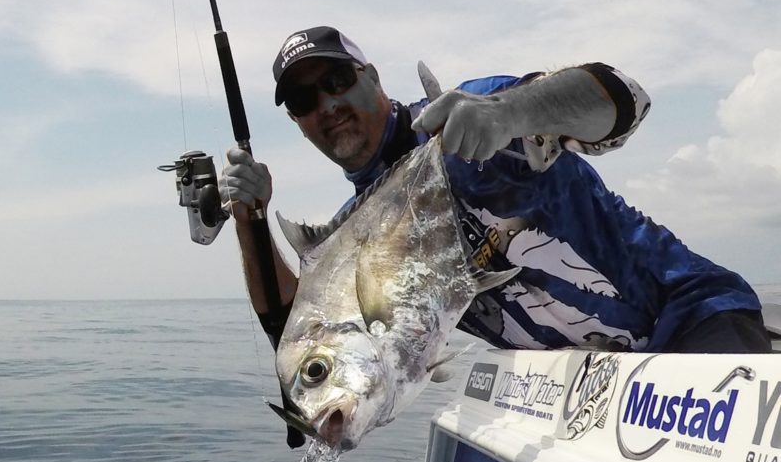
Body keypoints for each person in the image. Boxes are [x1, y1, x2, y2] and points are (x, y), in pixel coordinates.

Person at [220, 25, 771, 355]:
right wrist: (250, 221)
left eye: (337, 82)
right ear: (297, 122)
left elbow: (627, 101)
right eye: (304, 101)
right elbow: (295, 334)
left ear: (372, 77)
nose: (328, 106)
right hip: (572, 388)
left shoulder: (472, 118)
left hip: (695, 319)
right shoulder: (360, 240)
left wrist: (513, 112)